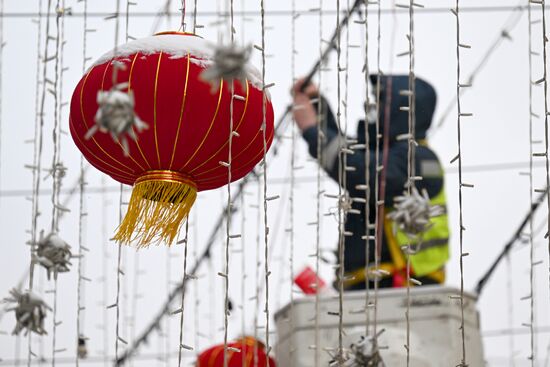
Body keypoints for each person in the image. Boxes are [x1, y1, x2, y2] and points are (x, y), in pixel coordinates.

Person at [291, 75, 450, 290]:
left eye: (380, 102)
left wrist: (311, 131)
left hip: (402, 287)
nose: (371, 109)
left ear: (400, 110)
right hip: (375, 286)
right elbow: (350, 152)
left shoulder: (417, 158)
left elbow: (360, 171)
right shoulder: (394, 155)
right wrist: (319, 107)